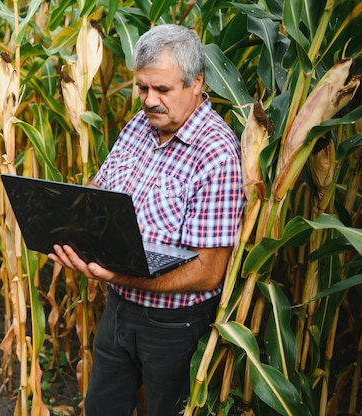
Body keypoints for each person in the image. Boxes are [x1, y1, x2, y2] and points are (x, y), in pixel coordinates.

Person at [49, 24, 245, 415]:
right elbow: (100, 192)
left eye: (162, 90)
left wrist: (116, 275)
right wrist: (69, 224)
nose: (149, 100)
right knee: (102, 408)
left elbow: (208, 272)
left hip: (173, 325)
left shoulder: (216, 154)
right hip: (118, 307)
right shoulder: (141, 124)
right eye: (142, 88)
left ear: (197, 83)